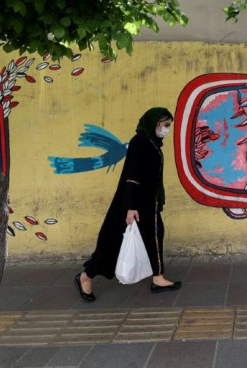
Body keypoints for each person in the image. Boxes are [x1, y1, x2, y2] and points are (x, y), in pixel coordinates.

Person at [75, 107, 181, 301]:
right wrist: (131, 207)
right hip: (133, 203)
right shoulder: (140, 141)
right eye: (165, 125)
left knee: (155, 235)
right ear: (155, 123)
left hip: (149, 203)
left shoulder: (152, 142)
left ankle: (158, 278)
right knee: (112, 243)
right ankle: (85, 276)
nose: (166, 129)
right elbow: (132, 176)